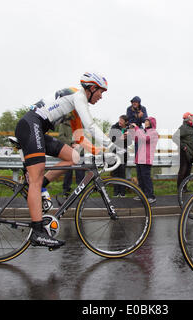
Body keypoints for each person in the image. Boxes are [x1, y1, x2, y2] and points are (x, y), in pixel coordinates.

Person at [14, 72, 120, 249]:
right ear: (92, 88)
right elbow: (91, 126)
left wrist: (98, 150)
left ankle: (40, 186)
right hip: (31, 125)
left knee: (73, 157)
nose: (101, 97)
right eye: (101, 92)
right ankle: (38, 232)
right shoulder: (79, 96)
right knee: (36, 176)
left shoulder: (74, 105)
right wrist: (112, 145)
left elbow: (79, 136)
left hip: (37, 128)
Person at [130, 117, 158, 204]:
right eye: (145, 121)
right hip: (139, 158)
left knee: (146, 178)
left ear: (151, 123)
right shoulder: (144, 132)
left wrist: (137, 128)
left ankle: (151, 196)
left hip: (146, 159)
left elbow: (145, 139)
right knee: (140, 178)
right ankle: (142, 195)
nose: (145, 122)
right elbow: (136, 139)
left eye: (147, 121)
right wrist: (132, 131)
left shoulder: (153, 132)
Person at [57, 113, 85, 197]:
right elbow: (61, 137)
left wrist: (79, 144)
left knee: (80, 172)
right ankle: (66, 191)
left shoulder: (81, 123)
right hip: (68, 151)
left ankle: (81, 191)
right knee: (68, 172)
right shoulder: (63, 124)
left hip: (80, 150)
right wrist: (71, 143)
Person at [109, 115, 132, 197]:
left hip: (123, 154)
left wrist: (127, 137)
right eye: (119, 120)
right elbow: (111, 140)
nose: (120, 122)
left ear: (126, 122)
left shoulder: (128, 129)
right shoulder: (114, 127)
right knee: (115, 173)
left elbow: (130, 143)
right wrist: (120, 138)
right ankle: (116, 192)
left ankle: (122, 192)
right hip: (115, 153)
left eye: (122, 120)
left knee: (122, 172)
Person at [173, 112, 193, 190]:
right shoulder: (184, 127)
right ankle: (180, 189)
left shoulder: (190, 127)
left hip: (190, 153)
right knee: (183, 171)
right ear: (188, 117)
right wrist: (184, 147)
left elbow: (188, 139)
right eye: (192, 116)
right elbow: (174, 137)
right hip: (184, 153)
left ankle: (184, 188)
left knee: (187, 172)